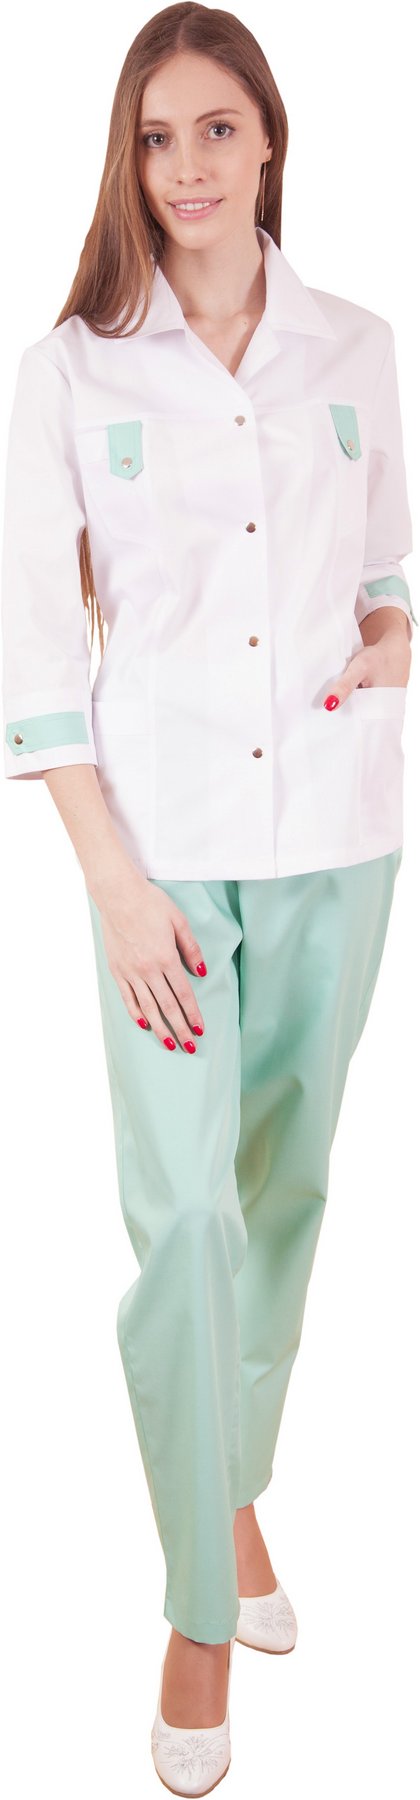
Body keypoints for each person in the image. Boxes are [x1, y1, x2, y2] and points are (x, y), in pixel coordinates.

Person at [1, 6, 416, 1794]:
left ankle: (234, 1488)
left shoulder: (358, 344)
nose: (187, 167)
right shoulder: (71, 373)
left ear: (270, 143)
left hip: (336, 828)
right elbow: (35, 649)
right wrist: (111, 886)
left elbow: (387, 559)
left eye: (218, 129)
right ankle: (194, 1602)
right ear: (129, 158)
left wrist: (395, 633)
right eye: (157, 136)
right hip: (160, 854)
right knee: (184, 1224)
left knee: (286, 1193)